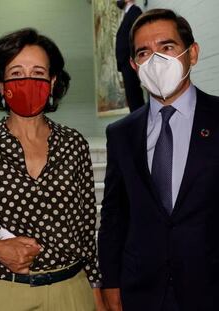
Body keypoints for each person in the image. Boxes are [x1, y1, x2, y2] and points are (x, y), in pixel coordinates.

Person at [0, 28, 105, 311]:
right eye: (17, 74)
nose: (28, 81)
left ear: (52, 81)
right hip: (6, 292)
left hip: (72, 290)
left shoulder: (74, 145)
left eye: (38, 73)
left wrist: (95, 287)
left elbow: (86, 226)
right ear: (0, 84)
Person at [98, 8, 219, 311]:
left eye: (167, 47)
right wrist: (110, 282)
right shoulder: (121, 134)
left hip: (211, 288)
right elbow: (114, 216)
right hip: (141, 292)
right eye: (143, 53)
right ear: (133, 65)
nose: (156, 61)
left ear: (192, 53)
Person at [115, 0, 145, 112]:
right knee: (131, 96)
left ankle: (139, 124)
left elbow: (139, 35)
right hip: (126, 63)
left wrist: (135, 58)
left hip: (131, 62)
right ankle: (137, 123)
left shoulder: (135, 11)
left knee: (134, 95)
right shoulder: (127, 14)